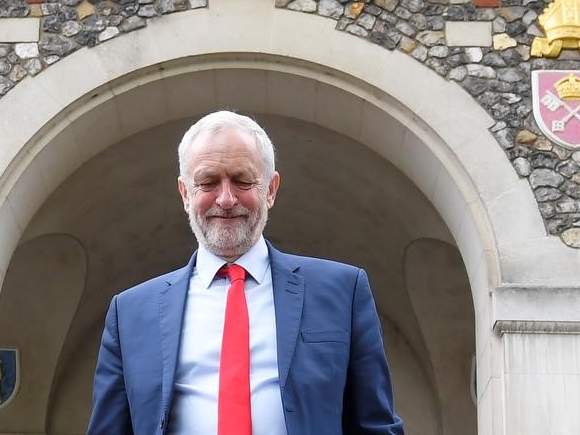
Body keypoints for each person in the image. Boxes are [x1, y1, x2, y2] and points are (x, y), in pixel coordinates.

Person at [87, 110, 404, 435]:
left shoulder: (342, 292)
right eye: (208, 182)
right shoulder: (130, 313)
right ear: (185, 193)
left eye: (242, 181)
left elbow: (375, 426)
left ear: (271, 188)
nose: (226, 199)